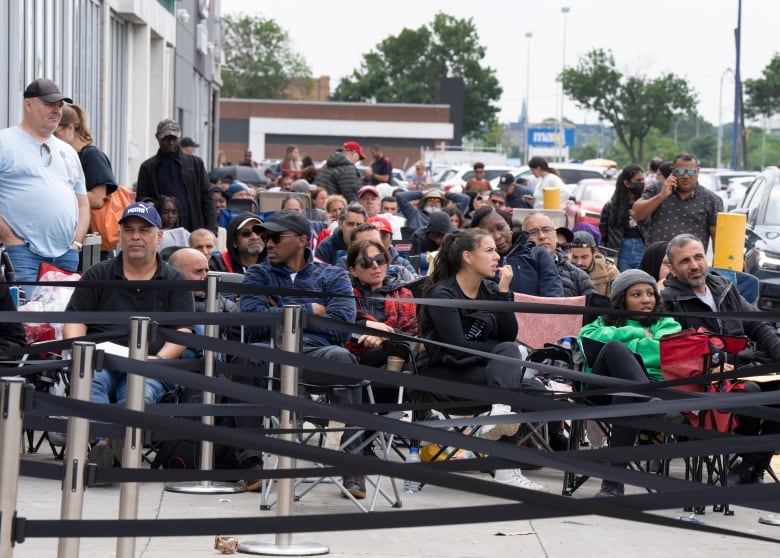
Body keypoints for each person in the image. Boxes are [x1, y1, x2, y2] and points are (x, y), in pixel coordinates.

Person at [240, 210, 367, 498]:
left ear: (300, 240)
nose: (267, 243)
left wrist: (276, 311)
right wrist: (310, 310)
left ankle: (352, 463)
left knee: (345, 360)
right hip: (272, 349)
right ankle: (251, 462)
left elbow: (341, 328)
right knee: (244, 358)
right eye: (264, 236)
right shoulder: (258, 273)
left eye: (274, 237)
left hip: (316, 351)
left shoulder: (332, 275)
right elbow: (251, 321)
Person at [63, 202, 195, 467]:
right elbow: (75, 319)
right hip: (101, 358)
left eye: (144, 230)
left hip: (152, 361)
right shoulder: (97, 274)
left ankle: (107, 447)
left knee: (137, 391)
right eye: (129, 229)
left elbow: (184, 331)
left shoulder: (175, 279)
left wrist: (158, 360)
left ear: (159, 236)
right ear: (120, 234)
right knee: (89, 383)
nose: (136, 236)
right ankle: (109, 444)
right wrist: (81, 353)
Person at [418, 228, 548, 491]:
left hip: (479, 371)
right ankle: (505, 470)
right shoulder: (443, 294)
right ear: (468, 256)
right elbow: (456, 349)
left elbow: (509, 334)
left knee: (532, 389)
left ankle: (499, 423)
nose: (497, 257)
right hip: (442, 374)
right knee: (512, 374)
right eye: (488, 250)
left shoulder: (489, 291)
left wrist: (502, 293)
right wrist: (497, 348)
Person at [662, 233, 780, 485]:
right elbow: (681, 350)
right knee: (750, 393)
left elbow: (759, 326)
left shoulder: (724, 287)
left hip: (744, 366)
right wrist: (717, 361)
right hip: (708, 378)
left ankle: (749, 466)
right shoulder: (669, 301)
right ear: (671, 267)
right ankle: (748, 467)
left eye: (698, 257)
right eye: (685, 261)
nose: (694, 265)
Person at [577, 269, 682, 496]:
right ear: (621, 299)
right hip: (601, 390)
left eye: (650, 293)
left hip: (643, 390)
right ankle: (649, 400)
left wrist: (624, 344)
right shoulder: (600, 321)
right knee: (614, 349)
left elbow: (667, 354)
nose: (646, 300)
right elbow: (587, 342)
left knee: (626, 396)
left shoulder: (667, 324)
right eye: (636, 294)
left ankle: (612, 484)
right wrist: (631, 336)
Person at [0, 78, 89, 282]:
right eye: (49, 104)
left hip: (66, 255)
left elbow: (83, 205)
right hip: (23, 254)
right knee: (27, 312)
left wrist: (76, 243)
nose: (57, 110)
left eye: (60, 105)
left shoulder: (68, 151)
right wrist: (9, 238)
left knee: (61, 313)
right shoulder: (5, 142)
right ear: (28, 104)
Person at [136, 119, 217, 234]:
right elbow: (142, 197)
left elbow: (207, 197)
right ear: (157, 137)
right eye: (166, 138)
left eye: (174, 138)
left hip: (193, 229)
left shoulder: (195, 164)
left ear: (179, 138)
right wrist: (150, 204)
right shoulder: (148, 167)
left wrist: (212, 230)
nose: (171, 142)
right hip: (161, 231)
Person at [344, 239, 418, 365]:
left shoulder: (404, 294)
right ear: (353, 271)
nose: (375, 266)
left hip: (396, 359)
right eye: (366, 262)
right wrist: (367, 326)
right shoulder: (345, 294)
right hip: (353, 359)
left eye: (379, 259)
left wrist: (384, 336)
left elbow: (412, 336)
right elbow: (339, 326)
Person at [631, 153, 723, 249]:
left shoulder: (711, 200)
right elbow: (636, 214)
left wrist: (716, 264)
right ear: (673, 171)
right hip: (658, 260)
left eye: (691, 172)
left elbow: (718, 240)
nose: (686, 176)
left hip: (691, 261)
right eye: (680, 171)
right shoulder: (657, 189)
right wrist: (661, 196)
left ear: (698, 171)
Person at [469, 206, 563, 297]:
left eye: (500, 227)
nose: (497, 236)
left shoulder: (538, 255)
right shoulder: (478, 264)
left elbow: (553, 299)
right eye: (488, 232)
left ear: (510, 227)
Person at [522, 212, 596, 297]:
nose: (542, 236)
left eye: (546, 230)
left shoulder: (578, 276)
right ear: (524, 239)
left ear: (555, 236)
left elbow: (593, 308)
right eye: (534, 232)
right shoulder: (515, 271)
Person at [599, 165, 647, 271]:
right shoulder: (611, 206)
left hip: (642, 247)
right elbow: (603, 234)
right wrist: (607, 254)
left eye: (643, 180)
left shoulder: (646, 204)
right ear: (627, 183)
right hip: (620, 250)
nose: (642, 183)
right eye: (638, 180)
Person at [568, 231, 619, 297]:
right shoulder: (563, 269)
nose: (579, 262)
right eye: (575, 257)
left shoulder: (610, 273)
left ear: (594, 253)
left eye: (584, 257)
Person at [396, 188, 470, 231]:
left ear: (442, 204)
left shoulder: (448, 214)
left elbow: (465, 199)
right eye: (430, 199)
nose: (434, 202)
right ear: (424, 202)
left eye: (438, 200)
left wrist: (444, 193)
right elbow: (400, 197)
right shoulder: (414, 214)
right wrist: (422, 193)